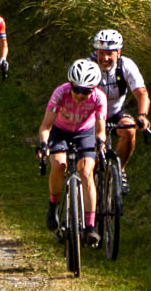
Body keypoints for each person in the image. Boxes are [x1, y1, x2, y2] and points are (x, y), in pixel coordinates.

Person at [38, 59, 108, 246]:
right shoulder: (60, 93)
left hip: (85, 132)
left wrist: (100, 143)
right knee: (59, 165)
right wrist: (44, 145)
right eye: (76, 89)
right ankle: (53, 206)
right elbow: (46, 126)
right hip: (60, 131)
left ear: (93, 89)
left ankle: (90, 228)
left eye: (85, 91)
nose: (79, 94)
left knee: (86, 173)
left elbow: (101, 130)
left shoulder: (99, 98)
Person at [90, 29, 150, 189]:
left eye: (110, 53)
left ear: (119, 52)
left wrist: (142, 116)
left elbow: (142, 93)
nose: (105, 58)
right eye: (101, 53)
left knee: (130, 130)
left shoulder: (126, 65)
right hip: (92, 115)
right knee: (92, 164)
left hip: (116, 112)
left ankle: (119, 170)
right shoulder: (89, 66)